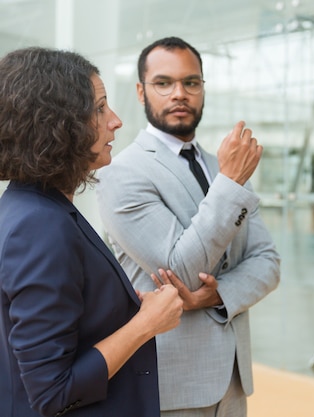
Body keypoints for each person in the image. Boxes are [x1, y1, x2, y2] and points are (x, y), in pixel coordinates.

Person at [96, 36, 280, 417]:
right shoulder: (123, 173)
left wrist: (217, 295)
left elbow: (268, 261)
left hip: (232, 383)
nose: (179, 93)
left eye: (191, 82)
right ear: (141, 91)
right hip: (169, 387)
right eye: (163, 83)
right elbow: (177, 270)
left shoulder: (222, 164)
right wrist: (229, 185)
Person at [0, 47, 184, 417]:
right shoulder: (39, 225)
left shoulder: (32, 208)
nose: (114, 121)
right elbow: (53, 392)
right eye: (99, 108)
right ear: (56, 123)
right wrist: (146, 325)